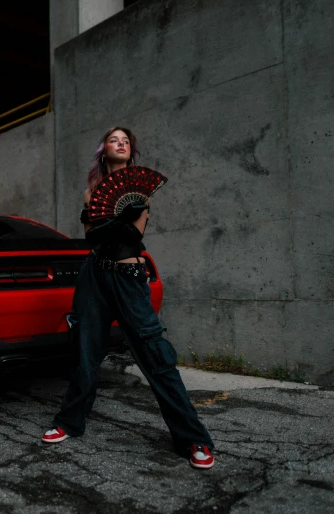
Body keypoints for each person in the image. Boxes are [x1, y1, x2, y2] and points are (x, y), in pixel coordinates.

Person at [41, 127, 215, 470]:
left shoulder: (141, 190)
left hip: (128, 276)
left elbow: (134, 235)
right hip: (94, 276)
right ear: (103, 150)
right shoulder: (91, 192)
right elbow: (93, 240)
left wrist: (114, 220)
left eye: (126, 141)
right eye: (113, 139)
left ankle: (195, 438)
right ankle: (69, 422)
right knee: (86, 353)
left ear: (130, 152)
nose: (120, 143)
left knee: (155, 354)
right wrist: (114, 219)